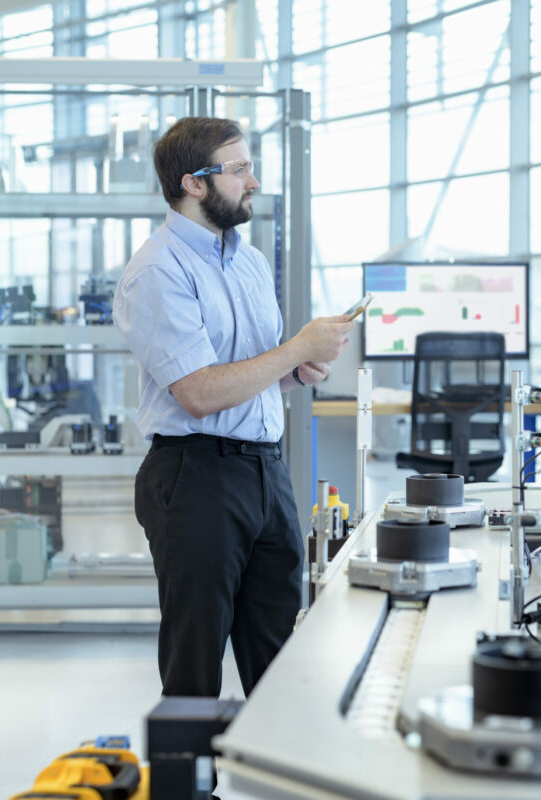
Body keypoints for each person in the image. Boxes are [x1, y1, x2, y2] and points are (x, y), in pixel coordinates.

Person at [113, 116, 353, 698]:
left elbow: (249, 374)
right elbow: (198, 393)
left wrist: (297, 370)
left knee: (278, 655)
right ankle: (193, 789)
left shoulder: (244, 259)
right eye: (240, 169)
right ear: (194, 183)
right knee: (196, 663)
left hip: (266, 473)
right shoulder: (158, 270)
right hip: (197, 477)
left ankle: (272, 781)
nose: (254, 181)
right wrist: (294, 347)